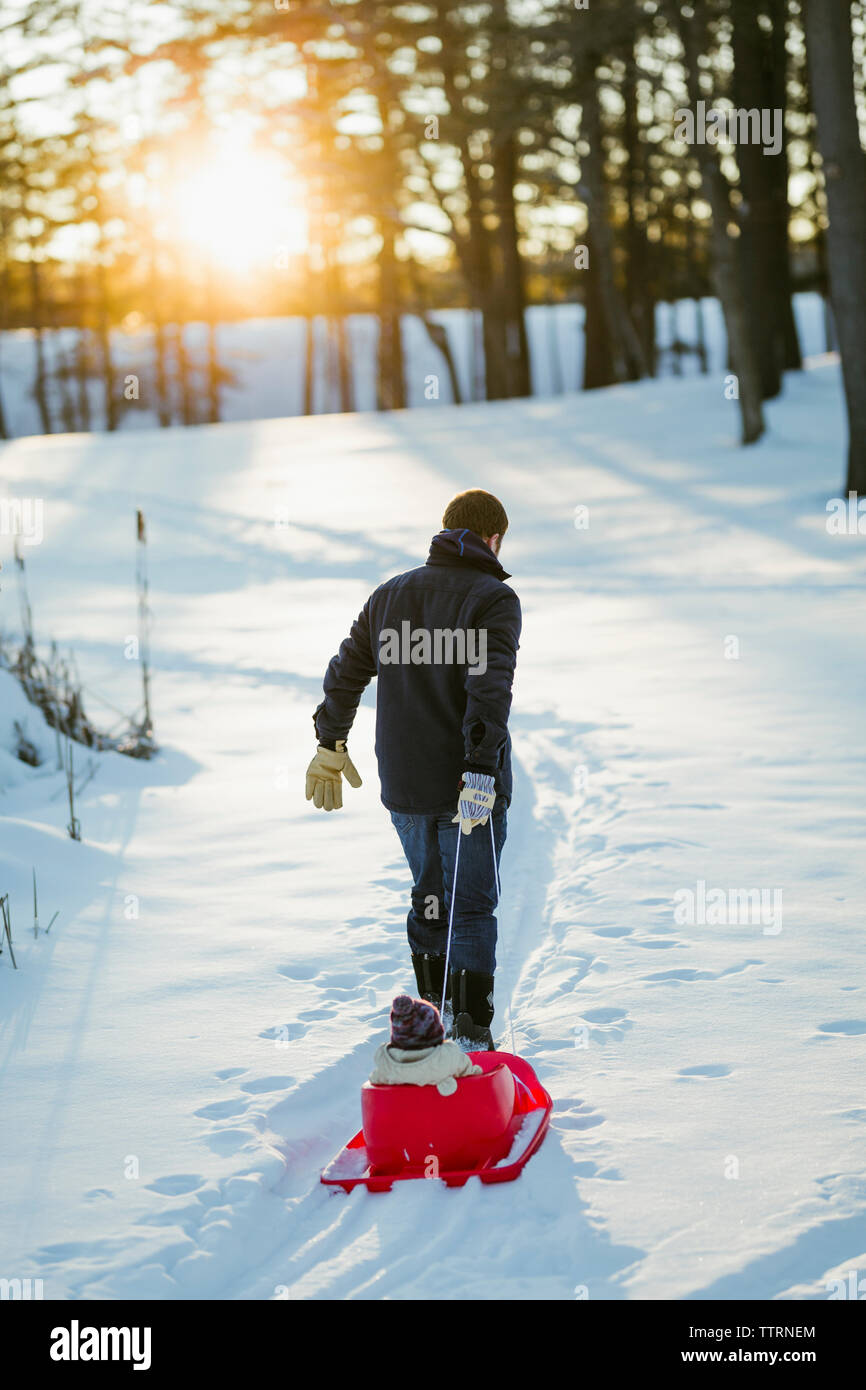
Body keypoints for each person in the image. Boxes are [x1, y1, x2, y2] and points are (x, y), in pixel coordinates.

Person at [305, 488, 521, 1049]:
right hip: (464, 786)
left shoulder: (390, 595)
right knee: (470, 907)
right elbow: (488, 689)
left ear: (446, 529)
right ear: (493, 539)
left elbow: (346, 669)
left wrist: (331, 738)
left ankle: (431, 1032)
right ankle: (470, 1036)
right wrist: (479, 770)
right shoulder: (492, 598)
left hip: (404, 785)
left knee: (429, 898)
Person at [369, 995, 482, 1096]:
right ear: (435, 1032)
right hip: (445, 1114)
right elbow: (472, 1074)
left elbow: (374, 1083)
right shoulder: (448, 1056)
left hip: (402, 1116)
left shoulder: (386, 1065)